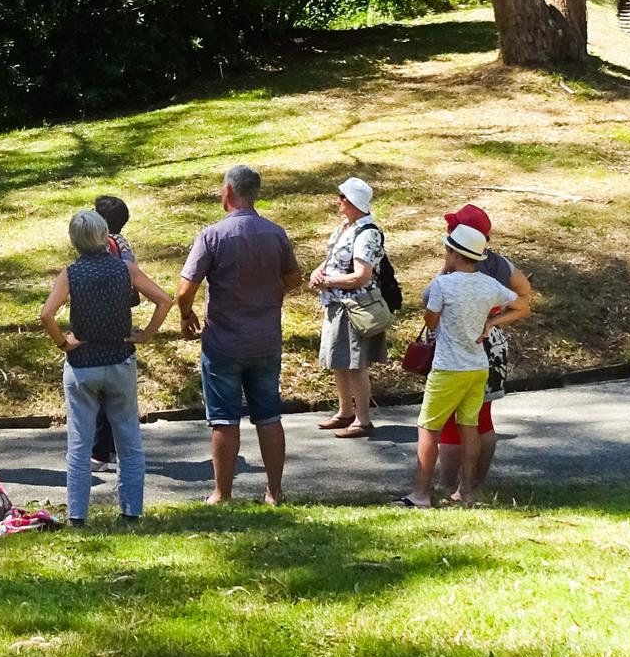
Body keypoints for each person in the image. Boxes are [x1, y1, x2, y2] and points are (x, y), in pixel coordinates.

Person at [176, 163, 304, 505]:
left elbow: (185, 290)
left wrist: (187, 315)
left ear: (228, 192)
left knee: (224, 419)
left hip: (224, 342)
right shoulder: (275, 233)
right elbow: (295, 277)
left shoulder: (212, 235)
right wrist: (272, 291)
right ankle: (274, 492)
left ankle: (222, 493)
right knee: (269, 416)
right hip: (265, 339)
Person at [42, 208, 172, 526]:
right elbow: (164, 300)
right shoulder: (125, 269)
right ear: (104, 236)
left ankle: (77, 515)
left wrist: (63, 342)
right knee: (128, 439)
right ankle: (131, 511)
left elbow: (46, 315)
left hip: (82, 364)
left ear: (74, 240)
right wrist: (146, 335)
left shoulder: (71, 273)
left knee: (79, 442)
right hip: (119, 360)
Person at [403, 223, 519, 509]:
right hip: (478, 366)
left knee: (428, 427)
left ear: (453, 253)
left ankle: (420, 493)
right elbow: (522, 306)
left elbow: (430, 321)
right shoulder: (489, 285)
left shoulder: (443, 284)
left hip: (447, 367)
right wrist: (491, 322)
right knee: (470, 426)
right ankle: (466, 491)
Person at [431, 203, 534, 499]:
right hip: (492, 343)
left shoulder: (457, 264)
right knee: (482, 417)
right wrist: (493, 319)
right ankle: (475, 482)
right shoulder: (500, 264)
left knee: (451, 419)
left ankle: (446, 483)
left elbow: (434, 299)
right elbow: (525, 296)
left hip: (460, 344)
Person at [306, 175, 391, 439]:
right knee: (339, 360)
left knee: (355, 364)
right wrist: (318, 273)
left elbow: (361, 276)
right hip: (336, 303)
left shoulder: (367, 233)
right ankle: (345, 412)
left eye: (343, 197)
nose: (339, 201)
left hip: (354, 307)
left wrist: (328, 281)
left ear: (354, 201)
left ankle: (363, 420)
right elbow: (332, 258)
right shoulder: (345, 227)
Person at [89, 195, 134, 470]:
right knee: (116, 388)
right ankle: (115, 449)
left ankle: (99, 453)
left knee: (99, 389)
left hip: (100, 320)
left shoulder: (101, 245)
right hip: (121, 318)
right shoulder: (124, 244)